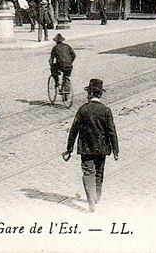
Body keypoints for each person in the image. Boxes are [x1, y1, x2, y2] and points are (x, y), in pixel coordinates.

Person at [64, 79, 119, 212]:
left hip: (86, 148)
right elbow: (112, 131)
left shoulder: (83, 110)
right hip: (102, 148)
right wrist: (115, 150)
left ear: (90, 94)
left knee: (88, 173)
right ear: (100, 94)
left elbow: (74, 130)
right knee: (99, 172)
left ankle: (91, 201)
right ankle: (97, 197)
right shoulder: (106, 110)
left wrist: (69, 149)